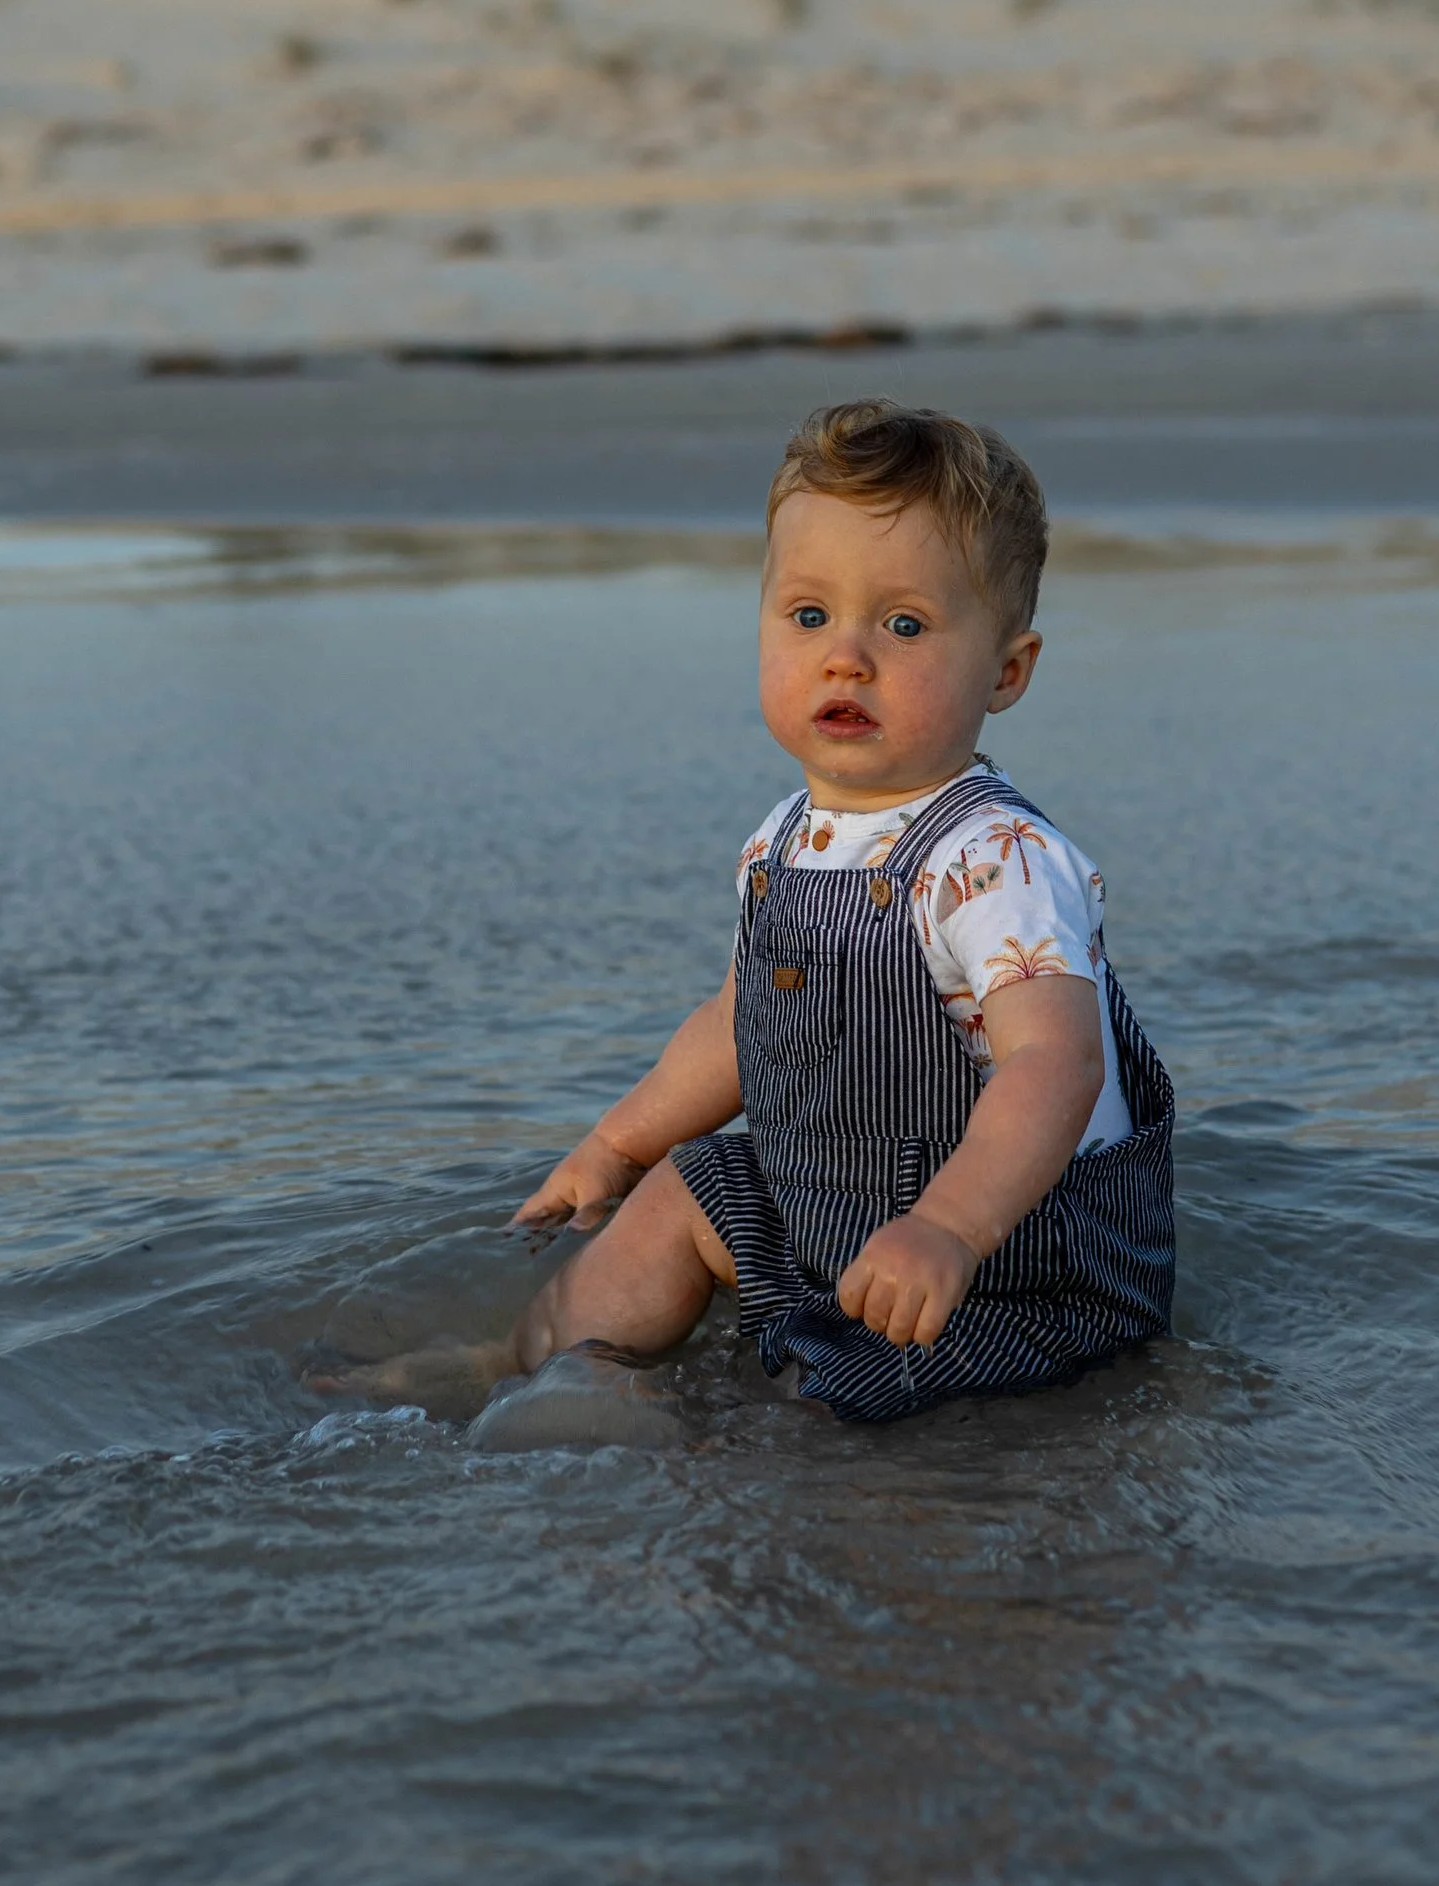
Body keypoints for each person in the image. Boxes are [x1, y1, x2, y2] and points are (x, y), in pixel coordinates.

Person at [342, 398, 1174, 1425]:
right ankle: (526, 1368)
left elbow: (1056, 1064)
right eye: (808, 615)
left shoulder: (995, 857)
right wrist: (615, 1146)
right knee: (685, 1194)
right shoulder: (782, 842)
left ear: (1005, 671)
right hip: (835, 1208)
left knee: (823, 1405)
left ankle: (722, 1452)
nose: (846, 656)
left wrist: (950, 1229)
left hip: (1011, 1264)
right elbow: (742, 1021)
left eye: (903, 624)